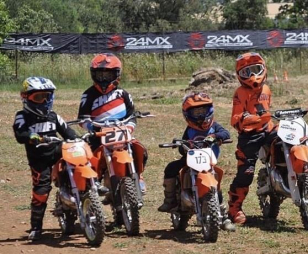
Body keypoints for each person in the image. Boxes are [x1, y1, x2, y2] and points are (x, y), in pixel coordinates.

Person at [157, 91, 235, 231]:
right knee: (171, 168)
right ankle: (170, 200)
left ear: (209, 110)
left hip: (208, 162)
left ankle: (224, 218)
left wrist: (215, 136)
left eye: (203, 111)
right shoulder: (189, 129)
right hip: (190, 161)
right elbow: (182, 146)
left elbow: (226, 133)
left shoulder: (214, 126)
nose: (200, 116)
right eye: (196, 112)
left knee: (216, 188)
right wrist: (182, 145)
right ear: (188, 114)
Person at [12, 77, 77, 240]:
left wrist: (78, 139)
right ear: (26, 97)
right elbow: (20, 134)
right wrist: (32, 136)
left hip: (58, 153)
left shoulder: (54, 116)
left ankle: (84, 201)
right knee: (41, 190)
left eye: (47, 96)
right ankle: (36, 227)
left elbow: (69, 133)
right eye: (38, 97)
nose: (44, 101)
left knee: (78, 168)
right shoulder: (22, 116)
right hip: (39, 160)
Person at [77, 53, 148, 197]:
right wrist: (91, 128)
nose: (103, 78)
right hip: (98, 135)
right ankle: (92, 188)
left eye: (108, 75)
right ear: (93, 75)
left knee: (140, 150)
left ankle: (138, 175)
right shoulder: (88, 95)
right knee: (88, 160)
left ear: (116, 75)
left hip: (121, 132)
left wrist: (129, 127)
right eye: (100, 74)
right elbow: (82, 119)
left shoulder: (123, 94)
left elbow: (132, 116)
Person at [227, 52, 278, 225]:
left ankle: (303, 174)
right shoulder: (240, 93)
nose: (253, 76)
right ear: (239, 75)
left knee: (290, 140)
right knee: (246, 172)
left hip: (268, 129)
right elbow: (235, 120)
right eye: (247, 72)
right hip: (249, 135)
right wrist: (252, 119)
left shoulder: (267, 89)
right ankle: (234, 208)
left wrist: (266, 120)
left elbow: (268, 112)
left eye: (256, 70)